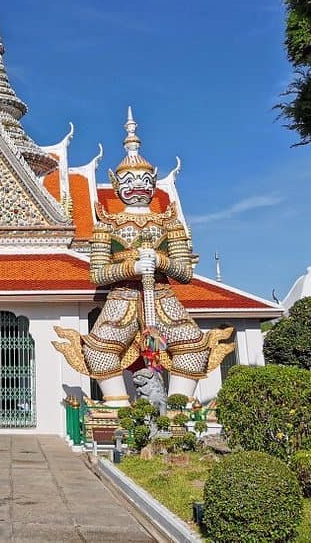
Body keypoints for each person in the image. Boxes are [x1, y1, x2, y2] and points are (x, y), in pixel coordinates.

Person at [54, 109, 234, 405]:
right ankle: (119, 409)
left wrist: (161, 262)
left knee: (192, 349)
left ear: (153, 181)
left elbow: (186, 272)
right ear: (115, 183)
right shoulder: (106, 225)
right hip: (122, 299)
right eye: (129, 180)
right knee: (98, 353)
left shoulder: (169, 223)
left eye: (144, 179)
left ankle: (178, 410)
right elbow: (97, 274)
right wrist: (131, 266)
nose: (137, 186)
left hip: (161, 296)